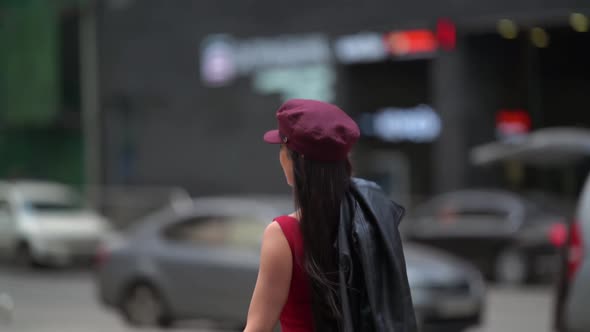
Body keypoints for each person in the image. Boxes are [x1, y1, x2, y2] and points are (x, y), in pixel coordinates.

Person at [244, 99, 417, 332]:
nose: (280, 158)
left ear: (298, 162)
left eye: (283, 150)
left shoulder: (283, 235)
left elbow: (257, 328)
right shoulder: (373, 221)